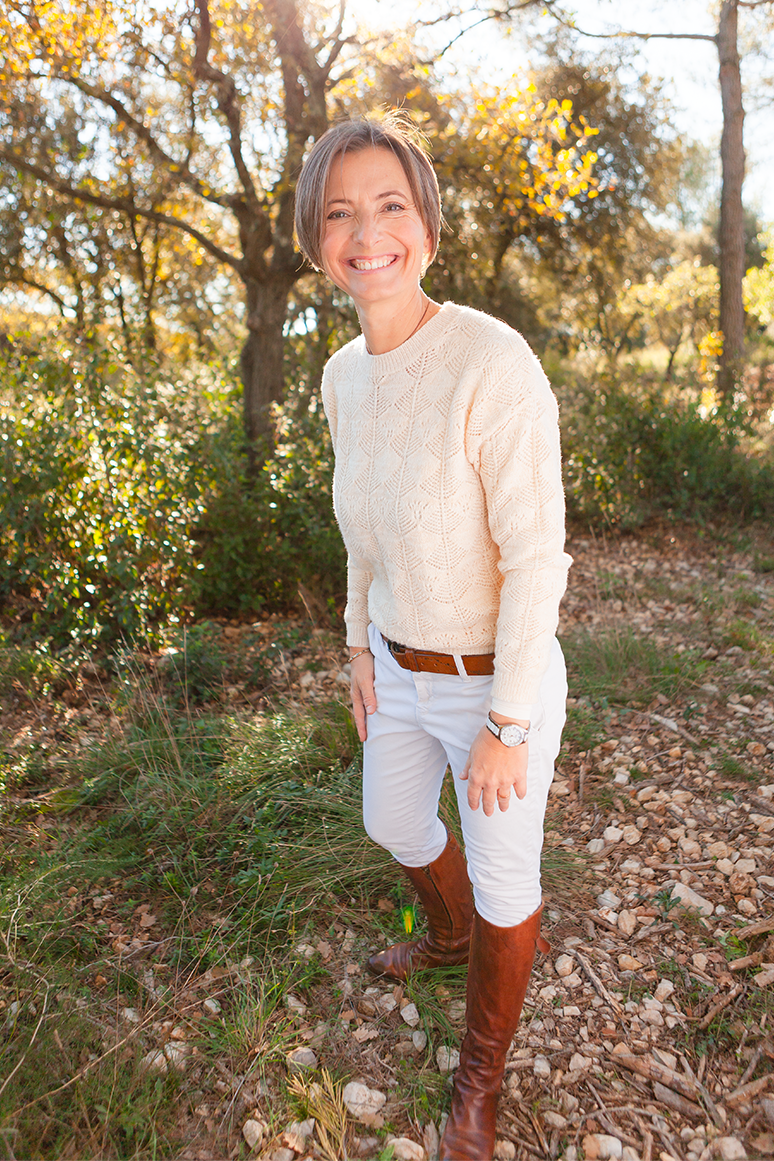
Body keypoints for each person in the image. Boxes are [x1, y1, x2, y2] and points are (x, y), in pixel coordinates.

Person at [294, 114, 570, 1161]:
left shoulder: (489, 360)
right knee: (393, 820)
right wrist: (359, 649)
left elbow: (536, 556)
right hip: (397, 667)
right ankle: (445, 936)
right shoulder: (341, 375)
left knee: (509, 878)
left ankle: (479, 1082)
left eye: (390, 205)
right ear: (319, 241)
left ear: (427, 224)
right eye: (340, 213)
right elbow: (357, 528)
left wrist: (508, 717)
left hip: (495, 679)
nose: (368, 233)